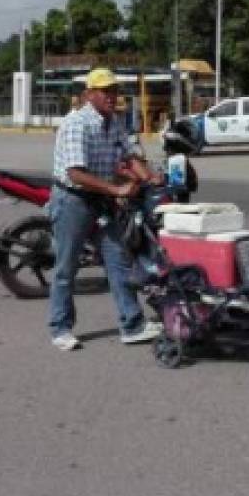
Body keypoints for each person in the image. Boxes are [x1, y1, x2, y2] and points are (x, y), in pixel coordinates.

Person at [49, 68, 164, 350]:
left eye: (114, 91)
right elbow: (75, 172)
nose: (111, 97)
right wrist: (117, 190)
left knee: (119, 260)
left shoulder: (114, 121)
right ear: (89, 95)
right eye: (105, 91)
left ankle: (132, 324)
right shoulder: (77, 124)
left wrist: (150, 178)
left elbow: (128, 154)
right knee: (67, 267)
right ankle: (60, 329)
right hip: (73, 200)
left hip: (101, 201)